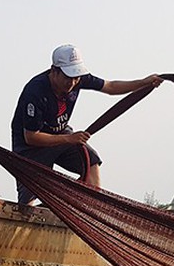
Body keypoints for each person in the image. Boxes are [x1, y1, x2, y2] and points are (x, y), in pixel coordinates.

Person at [10, 44, 162, 204]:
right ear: (54, 71)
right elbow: (31, 137)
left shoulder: (78, 79)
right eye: (68, 77)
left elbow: (111, 87)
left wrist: (144, 83)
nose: (73, 82)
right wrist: (69, 139)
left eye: (76, 77)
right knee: (28, 201)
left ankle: (90, 210)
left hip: (61, 134)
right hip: (31, 147)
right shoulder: (35, 91)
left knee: (91, 161)